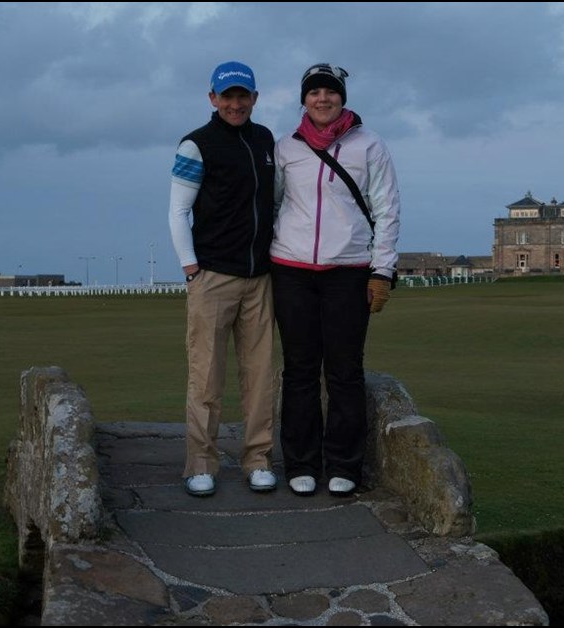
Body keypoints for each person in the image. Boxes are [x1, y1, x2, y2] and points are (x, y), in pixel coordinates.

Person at [271, 63, 401, 497]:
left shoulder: (370, 145)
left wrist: (382, 270)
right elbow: (274, 204)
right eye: (314, 92)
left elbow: (387, 210)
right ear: (303, 99)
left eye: (329, 91)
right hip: (291, 270)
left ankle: (345, 463)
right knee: (300, 370)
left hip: (348, 271)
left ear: (342, 97)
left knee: (345, 370)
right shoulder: (286, 147)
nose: (322, 98)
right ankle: (301, 462)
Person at [168, 61, 277, 497]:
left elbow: (276, 200)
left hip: (260, 276)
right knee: (206, 377)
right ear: (213, 98)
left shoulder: (265, 139)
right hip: (212, 275)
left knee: (261, 375)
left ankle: (258, 459)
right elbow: (178, 211)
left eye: (243, 96)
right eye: (227, 96)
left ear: (254, 97)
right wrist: (191, 268)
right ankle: (201, 463)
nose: (235, 104)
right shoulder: (197, 144)